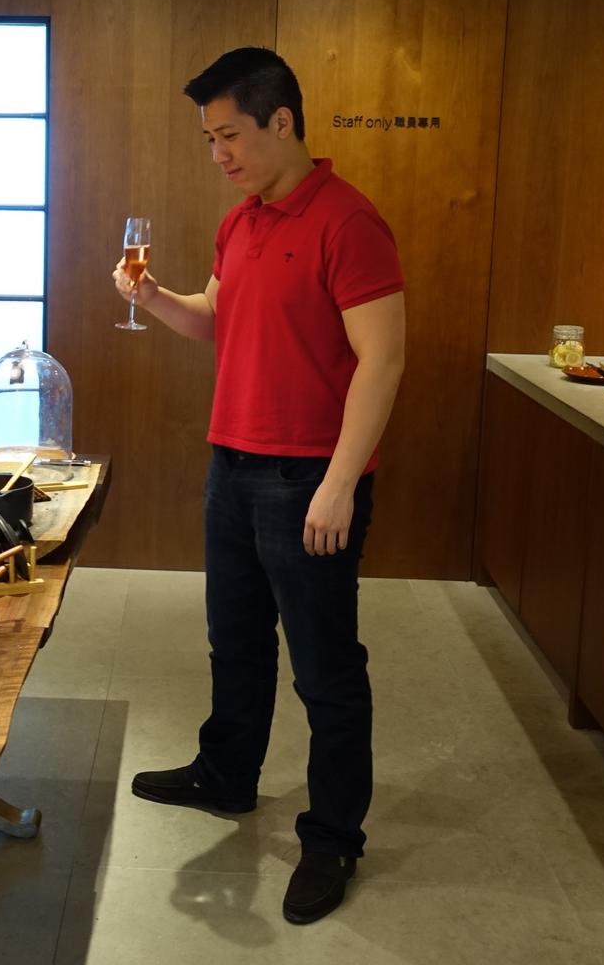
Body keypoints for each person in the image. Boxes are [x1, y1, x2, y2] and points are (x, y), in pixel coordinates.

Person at [110, 46, 405, 924]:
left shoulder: (349, 222)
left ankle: (332, 837)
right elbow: (213, 321)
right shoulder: (241, 223)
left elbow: (384, 361)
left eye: (229, 135)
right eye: (209, 139)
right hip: (231, 466)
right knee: (233, 641)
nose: (219, 155)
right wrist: (152, 295)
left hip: (309, 477)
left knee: (326, 669)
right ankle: (226, 774)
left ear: (283, 121)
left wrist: (340, 482)